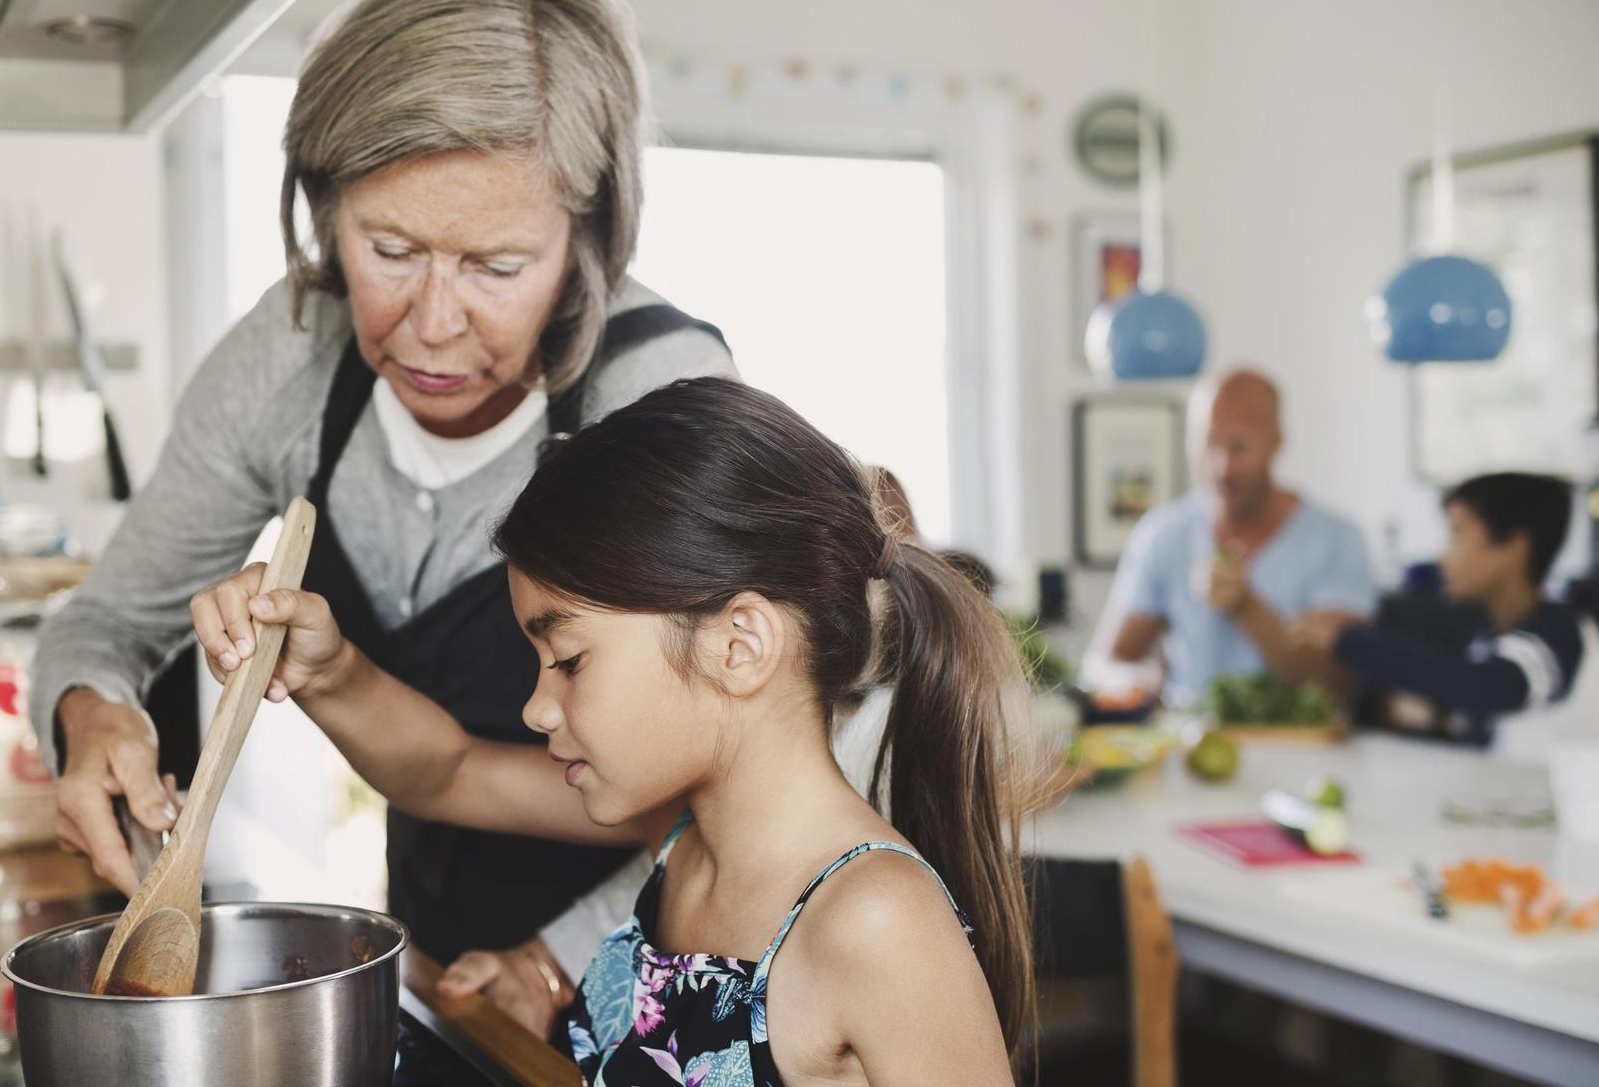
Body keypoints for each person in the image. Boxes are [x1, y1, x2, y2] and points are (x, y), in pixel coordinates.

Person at [29, 0, 736, 1021]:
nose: (434, 323)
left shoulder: (656, 397)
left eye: (497, 267)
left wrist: (561, 959)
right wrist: (90, 717)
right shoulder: (288, 359)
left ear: (583, 238)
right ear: (325, 208)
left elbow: (746, 788)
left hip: (666, 963)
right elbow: (103, 627)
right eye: (390, 248)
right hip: (436, 969)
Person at [191, 377, 1030, 1084]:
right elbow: (447, 773)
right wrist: (327, 670)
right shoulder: (684, 839)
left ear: (739, 645)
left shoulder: (873, 920)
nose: (537, 707)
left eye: (569, 660)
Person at [1084, 368, 1373, 709]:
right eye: (1209, 443)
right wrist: (1138, 680)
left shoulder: (1337, 540)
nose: (1222, 466)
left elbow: (1337, 682)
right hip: (1188, 748)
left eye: (1239, 446)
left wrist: (1246, 606)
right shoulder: (1163, 535)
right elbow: (1102, 665)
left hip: (1303, 751)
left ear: (1276, 441)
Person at [1294, 473, 1599, 760]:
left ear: (1514, 548)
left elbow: (1485, 687)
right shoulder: (1487, 634)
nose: (1442, 556)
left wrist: (1348, 640)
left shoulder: (1560, 632)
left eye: (1457, 533)